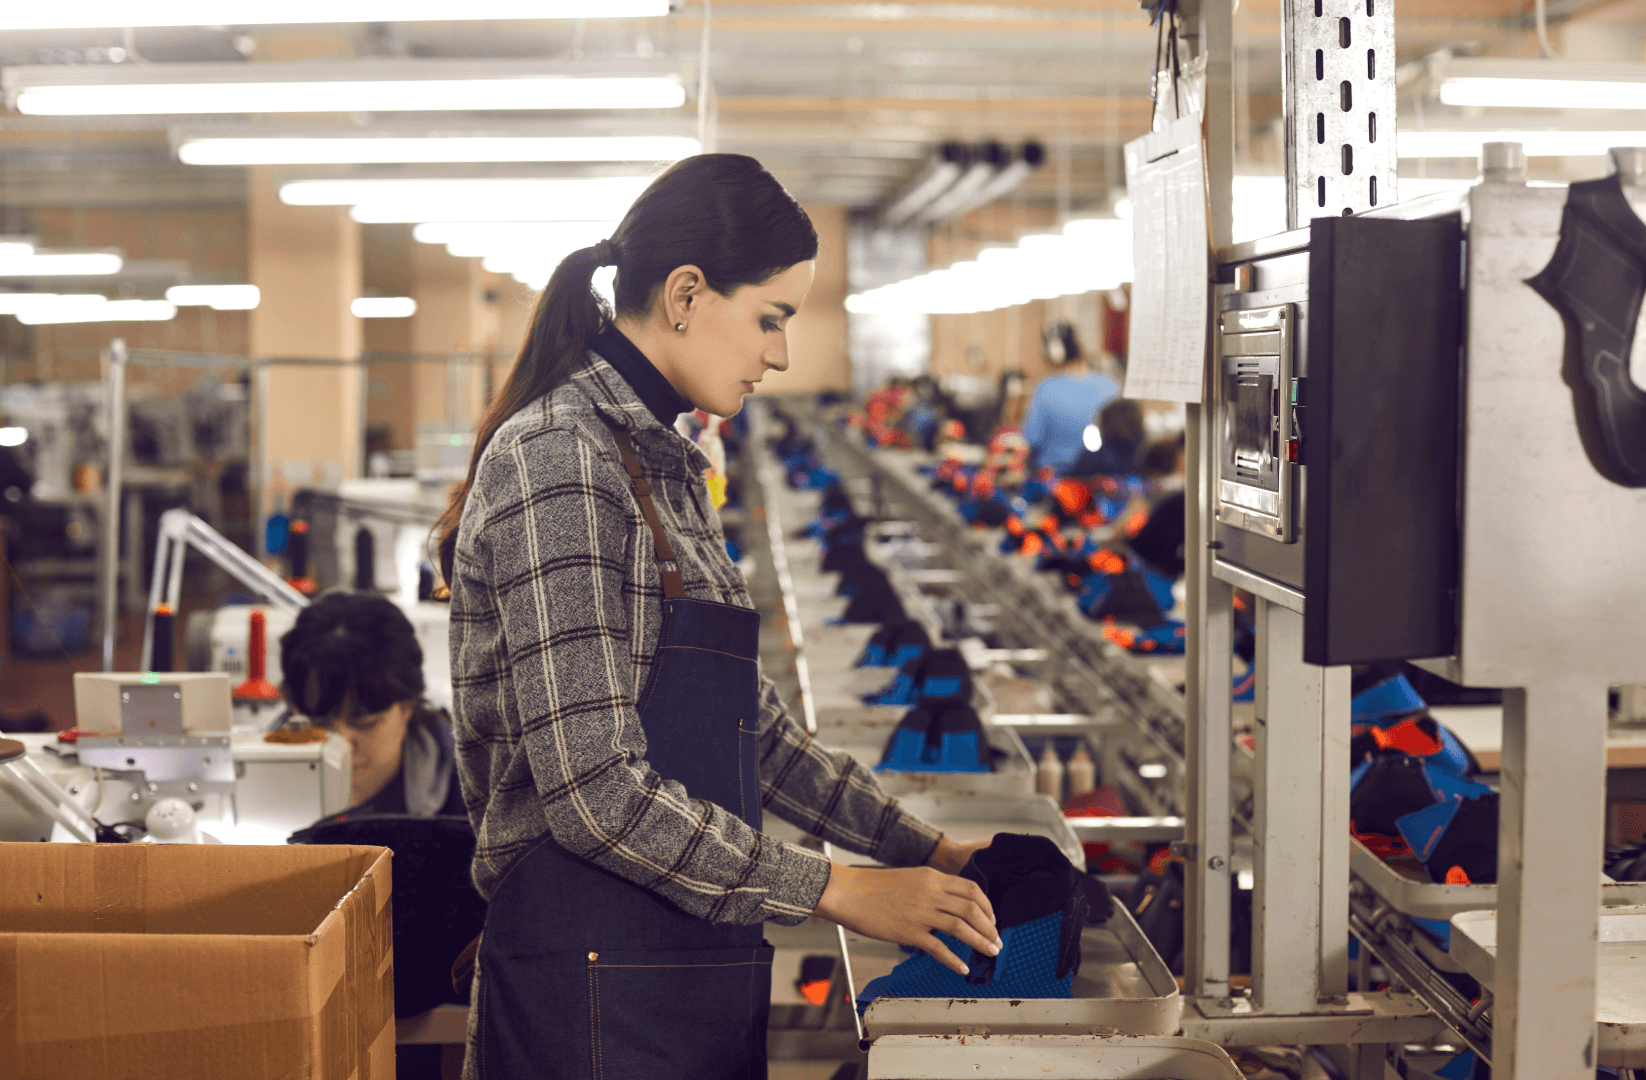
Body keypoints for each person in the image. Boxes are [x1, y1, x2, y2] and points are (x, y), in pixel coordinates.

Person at [435, 154, 999, 1080]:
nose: (779, 354)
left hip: (673, 966)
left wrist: (924, 850)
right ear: (687, 294)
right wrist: (842, 889)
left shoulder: (664, 463)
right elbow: (594, 794)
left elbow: (755, 734)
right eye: (772, 318)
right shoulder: (561, 462)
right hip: (587, 989)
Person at [279, 590, 464, 817]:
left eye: (365, 722)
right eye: (319, 722)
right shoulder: (254, 782)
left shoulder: (468, 797)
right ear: (294, 707)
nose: (342, 744)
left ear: (408, 707)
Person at [1019, 334, 1121, 474]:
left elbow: (1031, 439)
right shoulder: (1111, 385)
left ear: (1051, 356)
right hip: (1101, 477)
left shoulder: (1046, 388)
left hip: (1054, 479)